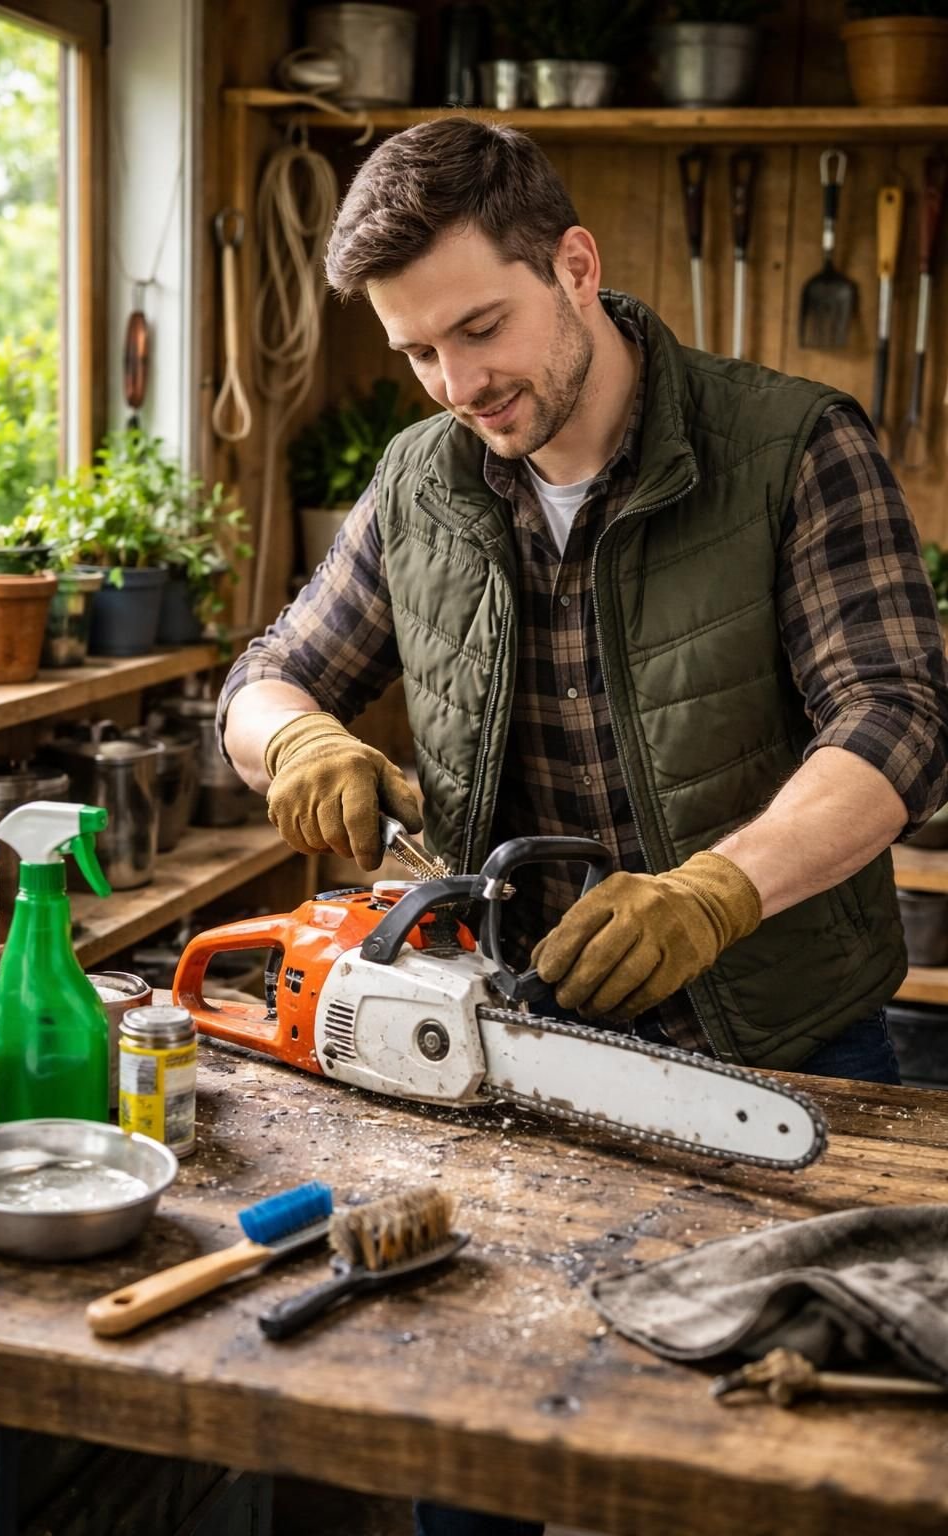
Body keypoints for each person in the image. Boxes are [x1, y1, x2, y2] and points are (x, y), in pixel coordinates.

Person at [218, 119, 948, 1536]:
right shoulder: (423, 479)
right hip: (509, 1055)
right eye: (419, 353)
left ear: (575, 263)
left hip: (779, 1052)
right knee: (478, 1452)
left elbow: (901, 723)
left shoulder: (794, 443)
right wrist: (293, 736)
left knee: (748, 1476)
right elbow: (264, 676)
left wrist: (716, 891)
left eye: (481, 329)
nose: (458, 383)